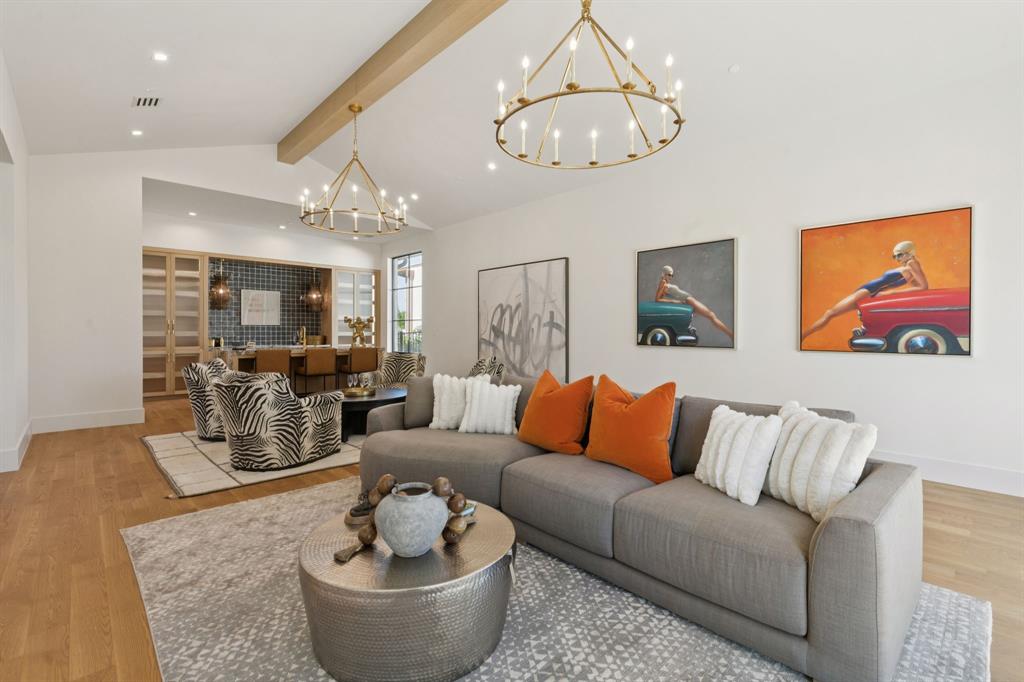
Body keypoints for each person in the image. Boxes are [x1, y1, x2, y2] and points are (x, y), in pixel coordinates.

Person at [801, 240, 929, 341]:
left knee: (830, 313)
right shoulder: (910, 267)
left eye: (899, 255)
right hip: (869, 291)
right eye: (894, 256)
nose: (897, 258)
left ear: (909, 252)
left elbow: (922, 287)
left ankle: (803, 336)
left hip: (869, 291)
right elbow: (915, 287)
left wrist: (888, 293)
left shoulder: (912, 263)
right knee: (832, 314)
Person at [656, 265, 734, 341]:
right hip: (688, 300)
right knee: (711, 315)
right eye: (669, 275)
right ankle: (731, 335)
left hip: (689, 300)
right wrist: (676, 301)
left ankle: (731, 335)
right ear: (664, 274)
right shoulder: (663, 282)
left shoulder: (665, 283)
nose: (671, 277)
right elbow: (658, 299)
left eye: (672, 275)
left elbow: (662, 296)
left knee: (711, 316)